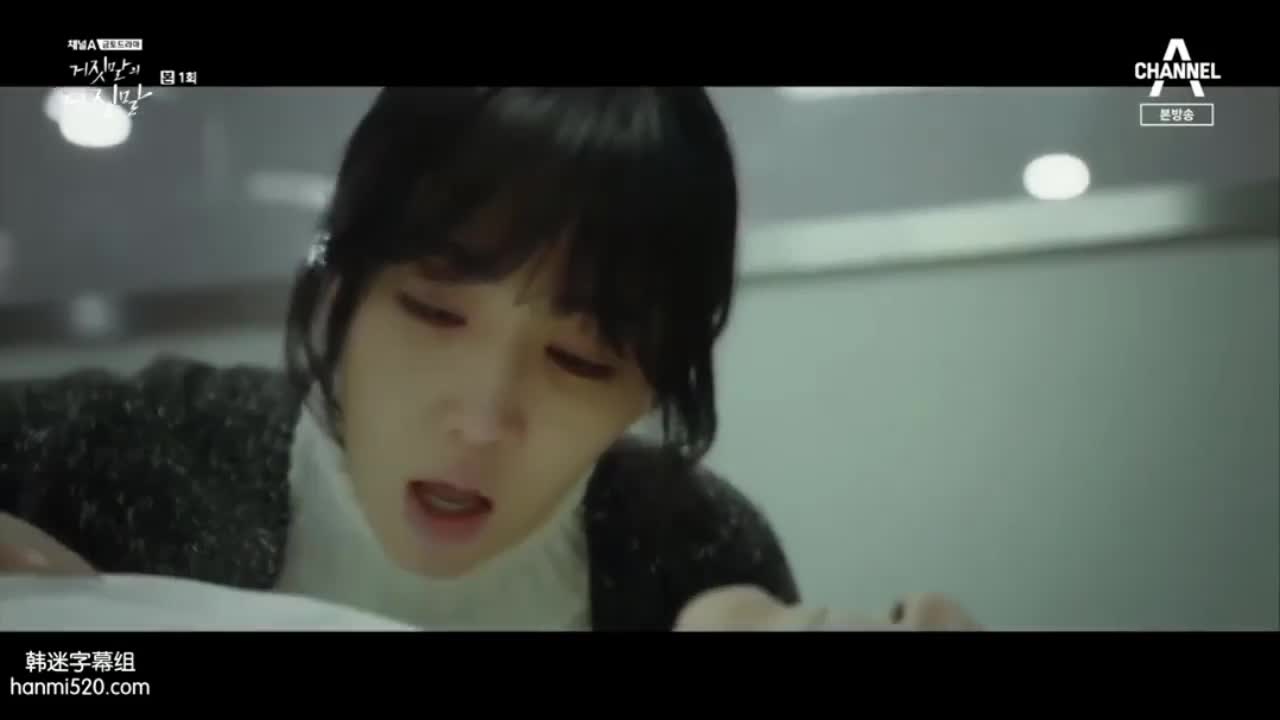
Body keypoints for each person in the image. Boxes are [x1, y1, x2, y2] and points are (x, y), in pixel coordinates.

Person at [0, 87, 978, 631]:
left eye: (580, 360)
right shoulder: (133, 452)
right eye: (432, 312)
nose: (481, 420)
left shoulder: (699, 560)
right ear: (340, 292)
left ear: (651, 385)